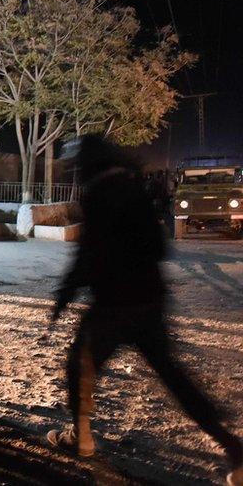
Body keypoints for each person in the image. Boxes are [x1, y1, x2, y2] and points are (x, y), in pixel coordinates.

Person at [47, 135, 242, 486]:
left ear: (88, 165)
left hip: (113, 306)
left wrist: (65, 297)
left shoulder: (98, 193)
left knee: (78, 364)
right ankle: (234, 449)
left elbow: (87, 255)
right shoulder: (131, 186)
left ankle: (81, 437)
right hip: (149, 301)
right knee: (174, 378)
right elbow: (157, 246)